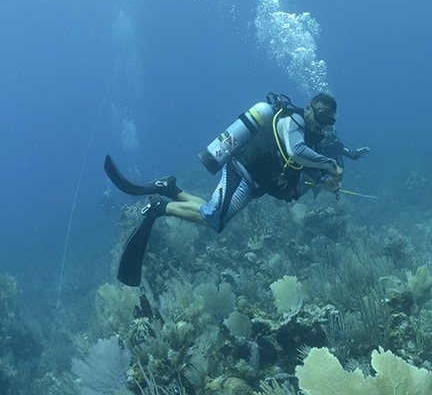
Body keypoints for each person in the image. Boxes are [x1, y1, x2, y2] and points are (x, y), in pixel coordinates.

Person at [105, 92, 369, 285]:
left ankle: (170, 189)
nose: (322, 123)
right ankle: (157, 207)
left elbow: (304, 170)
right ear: (310, 108)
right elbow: (295, 151)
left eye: (329, 120)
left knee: (212, 214)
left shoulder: (312, 138)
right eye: (320, 115)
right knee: (214, 219)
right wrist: (332, 165)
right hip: (241, 170)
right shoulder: (292, 120)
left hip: (254, 184)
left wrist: (325, 182)